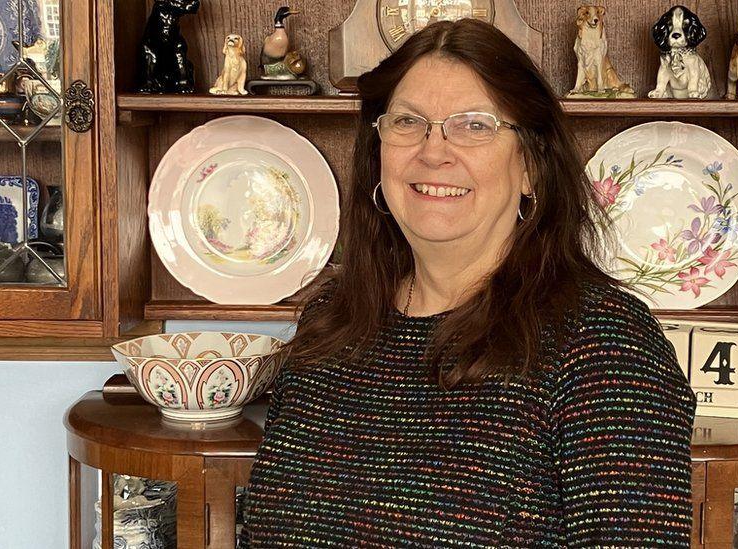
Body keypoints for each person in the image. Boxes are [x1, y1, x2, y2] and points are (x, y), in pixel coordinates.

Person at [240, 18, 697, 547]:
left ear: (530, 166)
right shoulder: (330, 323)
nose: (434, 152)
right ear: (378, 152)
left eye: (475, 125)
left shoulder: (607, 346)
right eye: (408, 122)